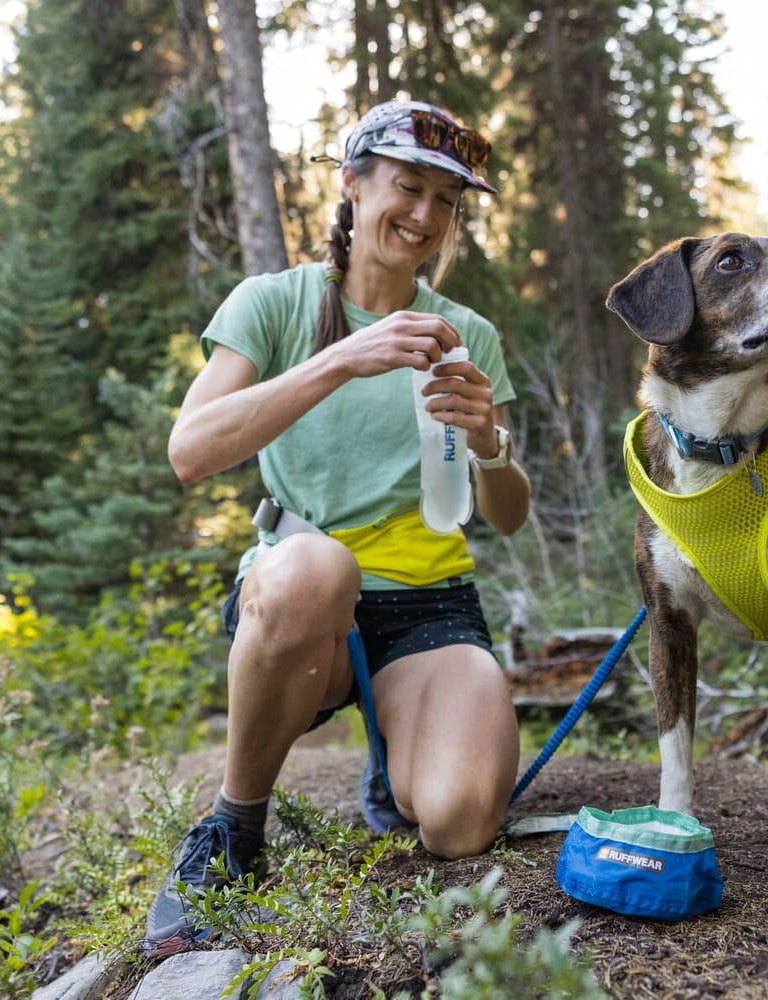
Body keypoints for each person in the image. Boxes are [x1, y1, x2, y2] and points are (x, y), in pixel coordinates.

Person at [143, 99, 530, 957]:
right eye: (407, 187)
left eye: (445, 201)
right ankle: (234, 829)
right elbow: (189, 451)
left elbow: (507, 516)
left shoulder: (465, 334)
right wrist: (339, 359)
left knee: (461, 822)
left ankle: (396, 760)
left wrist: (488, 444)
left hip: (428, 602)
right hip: (304, 598)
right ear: (352, 184)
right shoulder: (273, 303)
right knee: (317, 566)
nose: (424, 215)